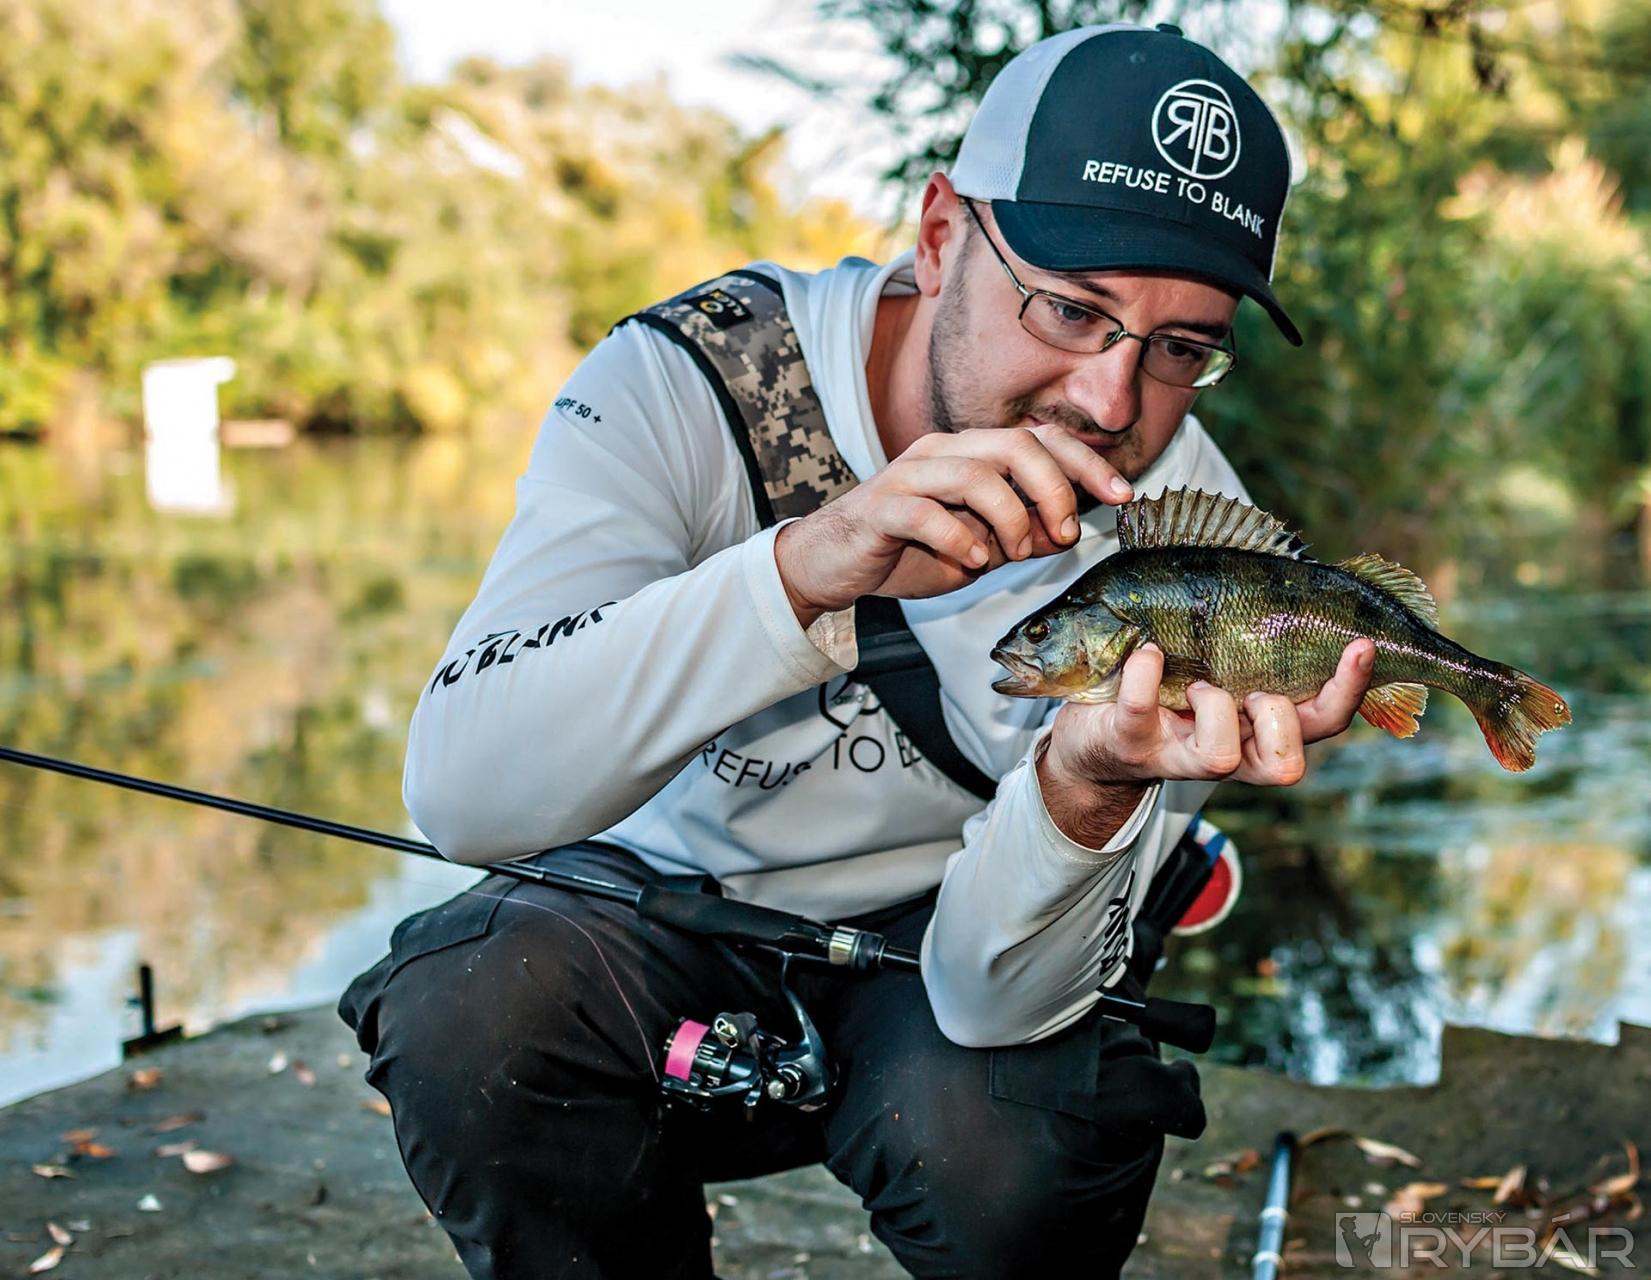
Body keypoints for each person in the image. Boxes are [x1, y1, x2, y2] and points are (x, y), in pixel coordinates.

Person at [340, 21, 1374, 1280]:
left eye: (1180, 348)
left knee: (1022, 1144)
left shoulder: (1186, 537)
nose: (1110, 402)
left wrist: (1087, 785)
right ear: (939, 236)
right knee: (471, 1008)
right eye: (1069, 307)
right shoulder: (686, 382)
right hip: (649, 913)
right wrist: (800, 576)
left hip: (944, 940)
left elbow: (999, 999)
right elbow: (461, 792)